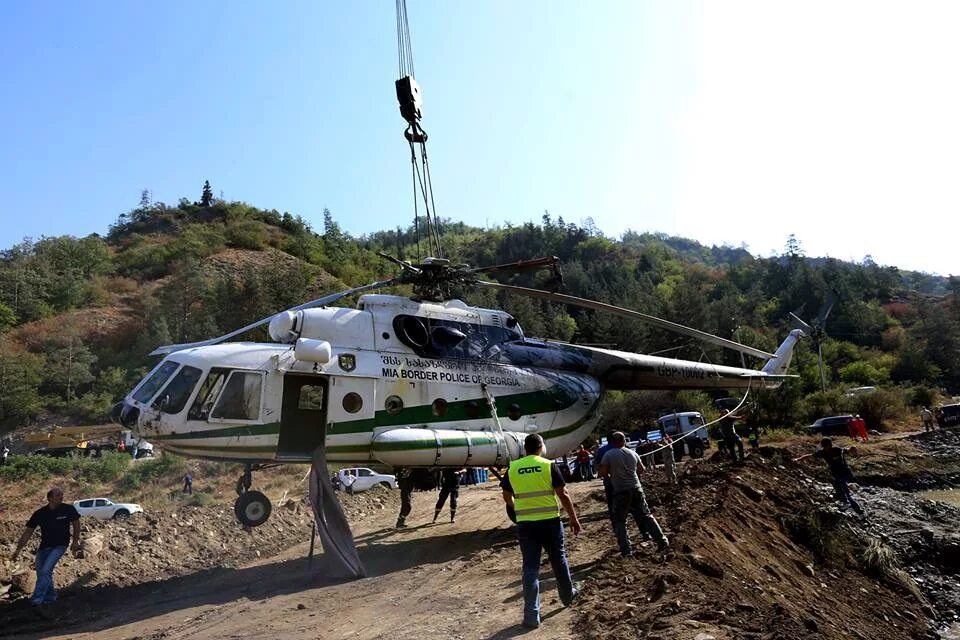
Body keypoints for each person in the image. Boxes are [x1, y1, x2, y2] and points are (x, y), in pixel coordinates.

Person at [501, 434, 581, 629]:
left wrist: (517, 509)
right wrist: (573, 518)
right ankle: (568, 596)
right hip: (550, 522)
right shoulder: (548, 465)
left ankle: (531, 615)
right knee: (558, 559)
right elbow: (563, 493)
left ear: (525, 448)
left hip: (526, 524)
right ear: (540, 447)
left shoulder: (513, 467)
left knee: (530, 567)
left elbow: (506, 496)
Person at [598, 431, 669, 557]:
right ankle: (662, 541)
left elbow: (602, 473)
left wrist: (612, 472)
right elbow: (642, 469)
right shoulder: (633, 453)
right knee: (647, 516)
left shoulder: (608, 455)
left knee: (620, 521)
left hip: (620, 491)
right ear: (624, 441)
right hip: (636, 488)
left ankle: (626, 551)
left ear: (613, 442)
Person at [11, 487, 82, 607]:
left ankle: (37, 599)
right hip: (44, 547)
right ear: (49, 498)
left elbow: (77, 525)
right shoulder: (40, 513)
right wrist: (18, 550)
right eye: (58, 495)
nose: (61, 496)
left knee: (45, 570)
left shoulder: (68, 509)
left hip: (60, 545)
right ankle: (51, 597)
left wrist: (75, 542)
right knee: (42, 573)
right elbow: (28, 532)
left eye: (61, 494)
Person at [794, 437, 865, 515]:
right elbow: (810, 455)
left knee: (843, 487)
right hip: (836, 473)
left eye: (828, 446)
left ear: (830, 445)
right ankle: (856, 509)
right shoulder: (823, 452)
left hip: (845, 472)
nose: (827, 448)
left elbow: (847, 450)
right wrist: (798, 459)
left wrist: (852, 449)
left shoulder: (837, 450)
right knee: (839, 488)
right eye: (825, 447)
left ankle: (847, 503)